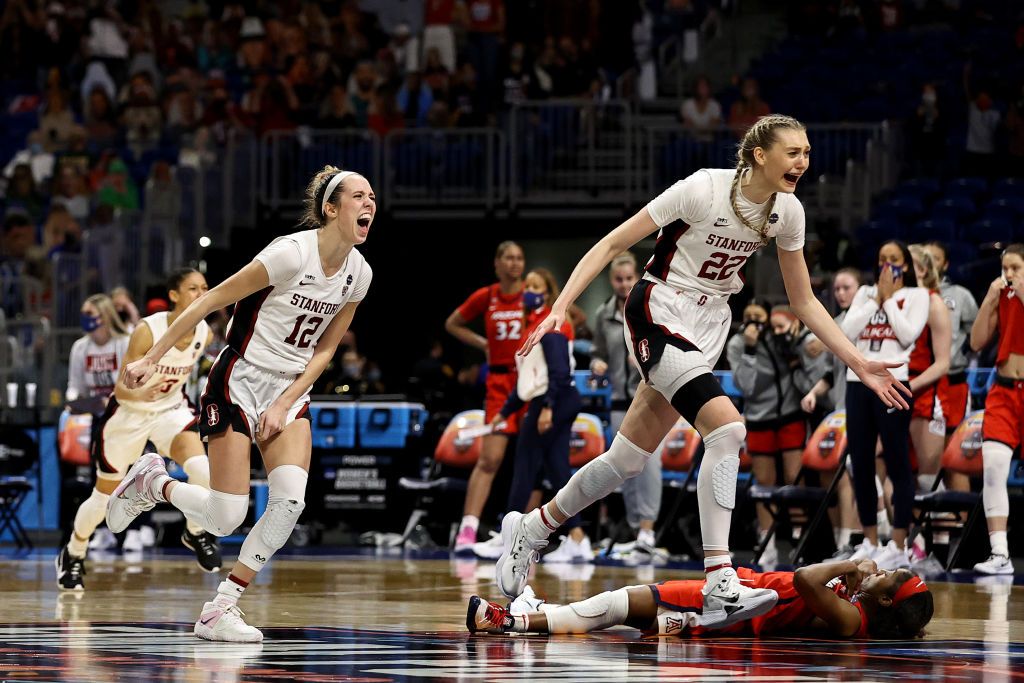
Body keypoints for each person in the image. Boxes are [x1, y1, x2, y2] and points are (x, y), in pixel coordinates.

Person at [497, 114, 911, 630]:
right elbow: (609, 244)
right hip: (660, 306)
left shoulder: (789, 212)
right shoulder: (702, 189)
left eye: (807, 152)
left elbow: (803, 300)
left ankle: (533, 529)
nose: (803, 162)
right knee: (729, 427)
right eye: (792, 152)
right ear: (760, 154)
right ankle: (720, 578)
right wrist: (561, 306)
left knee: (625, 460)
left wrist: (858, 361)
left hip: (711, 321)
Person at [106, 166, 375, 642]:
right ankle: (153, 483)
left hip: (290, 388)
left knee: (290, 503)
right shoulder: (290, 254)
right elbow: (210, 300)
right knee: (227, 516)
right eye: (359, 196)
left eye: (372, 197)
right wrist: (152, 356)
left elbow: (327, 349)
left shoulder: (359, 274)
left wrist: (288, 400)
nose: (370, 203)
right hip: (240, 377)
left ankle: (221, 607)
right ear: (331, 209)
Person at [56, 269, 219, 590]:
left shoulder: (205, 333)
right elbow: (122, 389)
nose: (201, 293)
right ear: (173, 295)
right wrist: (142, 392)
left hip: (170, 411)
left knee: (203, 471)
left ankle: (195, 532)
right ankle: (73, 552)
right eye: (192, 288)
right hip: (129, 414)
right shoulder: (148, 329)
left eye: (205, 287)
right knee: (102, 498)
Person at [467, 559, 933, 640]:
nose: (882, 571)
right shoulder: (856, 608)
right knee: (620, 608)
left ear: (888, 601)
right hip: (736, 596)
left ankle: (512, 622)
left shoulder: (853, 620)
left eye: (890, 577)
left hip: (731, 609)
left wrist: (849, 563)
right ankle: (536, 613)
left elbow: (807, 579)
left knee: (617, 605)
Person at [841, 241, 929, 570]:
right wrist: (876, 297)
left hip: (894, 381)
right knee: (860, 461)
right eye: (882, 260)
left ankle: (899, 543)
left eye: (893, 260)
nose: (887, 266)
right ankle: (870, 540)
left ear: (904, 265)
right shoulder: (864, 293)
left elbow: (907, 336)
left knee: (896, 460)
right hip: (859, 382)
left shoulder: (917, 296)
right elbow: (847, 332)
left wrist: (889, 299)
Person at [491, 268, 589, 563]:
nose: (530, 291)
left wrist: (547, 407)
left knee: (525, 466)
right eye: (527, 286)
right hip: (550, 400)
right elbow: (527, 382)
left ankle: (508, 538)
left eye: (537, 286)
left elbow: (559, 372)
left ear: (547, 293)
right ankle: (577, 538)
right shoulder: (532, 325)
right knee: (558, 471)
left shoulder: (552, 324)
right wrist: (504, 413)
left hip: (553, 401)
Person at [726, 303, 823, 566]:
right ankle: (766, 542)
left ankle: (798, 539)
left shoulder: (777, 336)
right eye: (747, 317)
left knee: (794, 479)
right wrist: (750, 349)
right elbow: (747, 386)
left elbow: (805, 358)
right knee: (765, 483)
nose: (753, 322)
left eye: (759, 317)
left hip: (790, 413)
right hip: (759, 418)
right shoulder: (737, 344)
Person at [446, 241, 526, 555]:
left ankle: (525, 535)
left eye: (519, 258)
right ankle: (467, 529)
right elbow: (452, 323)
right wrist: (483, 344)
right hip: (498, 382)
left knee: (529, 462)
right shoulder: (488, 296)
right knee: (490, 458)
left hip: (529, 381)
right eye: (508, 257)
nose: (514, 263)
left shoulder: (532, 295)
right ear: (497, 263)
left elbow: (572, 317)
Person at [590, 252, 663, 556]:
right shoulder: (603, 314)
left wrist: (644, 358)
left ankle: (648, 529)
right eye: (618, 280)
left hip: (648, 396)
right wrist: (597, 363)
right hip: (619, 400)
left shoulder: (650, 308)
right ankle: (635, 530)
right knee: (624, 465)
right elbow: (599, 351)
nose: (623, 285)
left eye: (629, 278)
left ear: (638, 277)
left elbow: (664, 346)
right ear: (611, 280)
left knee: (650, 465)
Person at [969, 244, 1024, 575]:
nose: (1009, 275)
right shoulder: (1001, 296)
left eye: (1016, 268)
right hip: (1003, 392)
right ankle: (1000, 554)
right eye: (1005, 269)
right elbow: (976, 342)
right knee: (992, 468)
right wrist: (990, 298)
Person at [800, 268, 862, 557]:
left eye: (846, 287)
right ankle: (840, 540)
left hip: (862, 409)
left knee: (851, 475)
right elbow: (829, 373)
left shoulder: (867, 320)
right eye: (837, 289)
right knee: (829, 473)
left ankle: (852, 539)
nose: (840, 294)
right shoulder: (833, 322)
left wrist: (824, 342)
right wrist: (813, 394)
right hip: (838, 411)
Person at [906, 245, 951, 495]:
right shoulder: (894, 301)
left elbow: (943, 363)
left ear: (922, 270)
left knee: (926, 478)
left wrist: (909, 387)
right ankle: (888, 530)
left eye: (907, 263)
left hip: (926, 392)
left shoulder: (934, 303)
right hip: (896, 389)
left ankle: (945, 534)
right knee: (881, 465)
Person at [922, 241, 978, 439]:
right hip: (921, 384)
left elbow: (976, 335)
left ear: (945, 265)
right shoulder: (911, 295)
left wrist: (961, 355)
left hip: (954, 382)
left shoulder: (961, 295)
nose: (929, 263)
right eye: (924, 259)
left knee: (952, 450)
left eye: (935, 259)